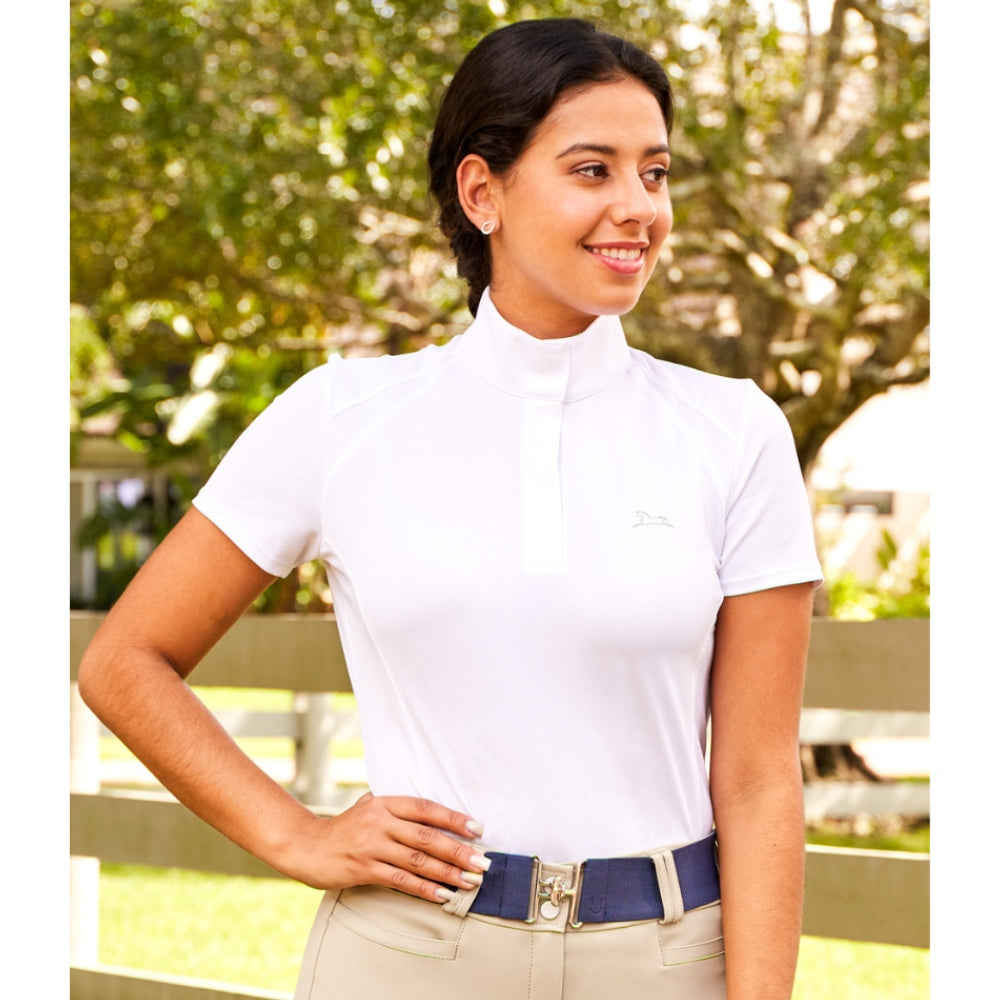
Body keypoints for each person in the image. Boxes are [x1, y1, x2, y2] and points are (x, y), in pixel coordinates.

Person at [78, 17, 822, 1000]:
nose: (638, 207)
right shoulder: (341, 417)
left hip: (663, 963)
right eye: (592, 170)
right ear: (482, 193)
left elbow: (760, 780)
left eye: (655, 172)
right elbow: (125, 662)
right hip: (407, 959)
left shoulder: (732, 431)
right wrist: (294, 832)